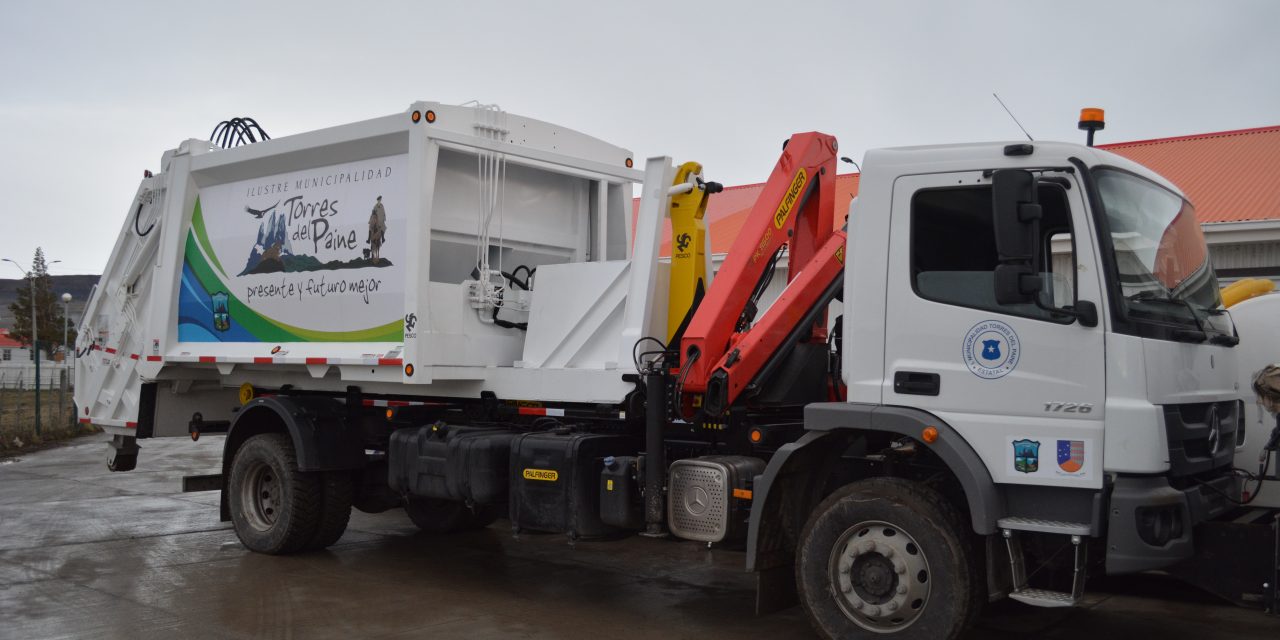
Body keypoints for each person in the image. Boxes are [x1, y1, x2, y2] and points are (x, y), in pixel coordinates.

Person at [368, 196, 386, 260]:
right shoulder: (375, 206)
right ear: (377, 200)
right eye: (379, 200)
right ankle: (368, 239)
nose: (379, 201)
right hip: (376, 220)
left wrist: (384, 219)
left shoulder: (382, 206)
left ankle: (383, 238)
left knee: (383, 227)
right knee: (370, 228)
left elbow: (384, 213)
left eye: (380, 200)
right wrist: (372, 219)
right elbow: (373, 213)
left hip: (381, 221)